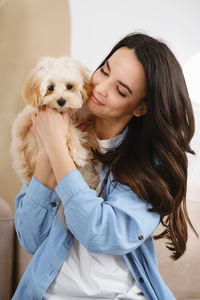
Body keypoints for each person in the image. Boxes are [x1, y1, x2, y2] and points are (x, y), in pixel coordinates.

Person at [12, 33, 197, 300]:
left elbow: (99, 234)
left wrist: (56, 148)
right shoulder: (57, 125)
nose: (99, 89)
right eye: (104, 71)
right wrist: (46, 154)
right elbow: (29, 239)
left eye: (120, 90)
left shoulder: (151, 167)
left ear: (141, 108)